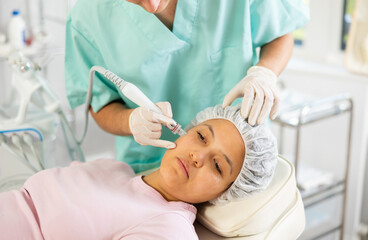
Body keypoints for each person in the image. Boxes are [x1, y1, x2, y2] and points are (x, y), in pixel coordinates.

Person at [64, 0, 308, 173]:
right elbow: (100, 104)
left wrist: (265, 72)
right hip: (147, 167)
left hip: (236, 166)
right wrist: (130, 120)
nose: (152, 5)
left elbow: (281, 30)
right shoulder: (88, 18)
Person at [0, 105, 277, 239]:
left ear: (225, 193)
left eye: (217, 165)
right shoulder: (115, 169)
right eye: (202, 137)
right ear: (182, 132)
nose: (197, 156)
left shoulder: (170, 230)